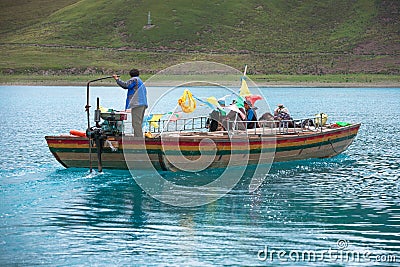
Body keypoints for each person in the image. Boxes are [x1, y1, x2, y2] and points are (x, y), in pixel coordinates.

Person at [113, 69, 147, 137]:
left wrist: (117, 79)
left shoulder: (134, 80)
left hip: (137, 104)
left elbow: (126, 85)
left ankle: (138, 139)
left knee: (136, 123)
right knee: (139, 122)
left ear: (130, 75)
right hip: (143, 104)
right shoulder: (140, 81)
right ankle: (138, 137)